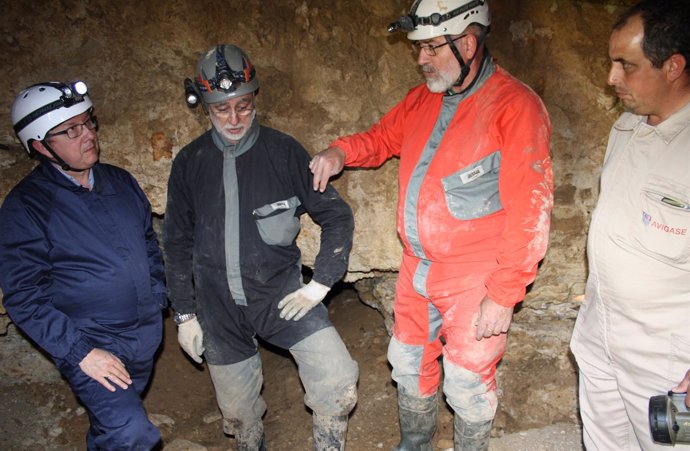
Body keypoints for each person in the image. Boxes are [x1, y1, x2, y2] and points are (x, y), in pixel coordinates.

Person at [310, 0, 553, 449]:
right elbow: (381, 138)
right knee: (406, 362)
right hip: (417, 267)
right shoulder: (422, 101)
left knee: (466, 382)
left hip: (476, 277)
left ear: (467, 42)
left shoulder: (514, 107)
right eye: (418, 48)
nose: (420, 59)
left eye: (430, 48)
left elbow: (531, 211)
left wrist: (503, 295)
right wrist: (341, 152)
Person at [164, 44, 359, 451]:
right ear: (204, 106)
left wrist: (319, 285)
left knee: (337, 377)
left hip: (280, 296)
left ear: (255, 99)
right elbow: (177, 242)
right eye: (222, 110)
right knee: (237, 409)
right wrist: (184, 314)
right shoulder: (190, 162)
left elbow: (336, 216)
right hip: (217, 309)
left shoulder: (283, 151)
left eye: (244, 106)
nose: (234, 119)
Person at [0, 81, 166, 450]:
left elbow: (148, 244)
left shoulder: (119, 181)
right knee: (131, 432)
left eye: (88, 122)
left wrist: (156, 295)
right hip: (91, 342)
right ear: (40, 146)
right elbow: (24, 296)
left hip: (143, 333)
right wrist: (81, 353)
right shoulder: (27, 207)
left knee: (113, 425)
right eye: (71, 130)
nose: (88, 134)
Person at [569, 0, 690, 449]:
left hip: (666, 360)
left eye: (626, 65)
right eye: (611, 62)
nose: (610, 78)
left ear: (673, 66)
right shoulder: (625, 127)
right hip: (601, 338)